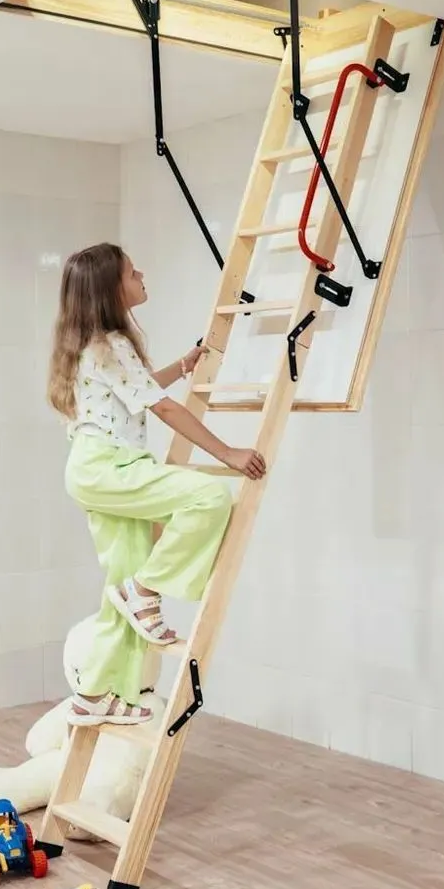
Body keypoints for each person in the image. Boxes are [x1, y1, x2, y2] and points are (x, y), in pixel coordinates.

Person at [46, 242, 266, 726]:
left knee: (120, 592)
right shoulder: (112, 344)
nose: (141, 274)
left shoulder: (91, 346)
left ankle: (96, 693)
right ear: (111, 290)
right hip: (111, 468)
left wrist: (182, 367)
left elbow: (139, 388)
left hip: (92, 470)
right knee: (209, 497)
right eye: (132, 272)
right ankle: (145, 589)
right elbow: (162, 407)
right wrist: (228, 453)